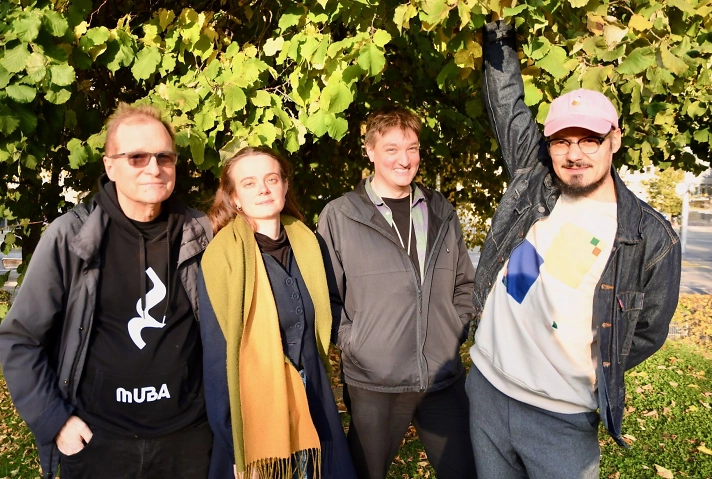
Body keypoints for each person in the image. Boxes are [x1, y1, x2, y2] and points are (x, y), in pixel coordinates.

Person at [468, 19, 682, 478]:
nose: (574, 154)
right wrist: (497, 27)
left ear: (615, 139)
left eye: (590, 140)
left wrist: (590, 367)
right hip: (486, 388)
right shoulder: (535, 179)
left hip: (561, 416)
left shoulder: (649, 236)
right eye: (562, 141)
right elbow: (507, 103)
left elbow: (646, 330)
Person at [0, 103, 214, 479]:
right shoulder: (71, 237)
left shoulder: (201, 234)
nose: (154, 168)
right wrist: (55, 421)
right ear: (110, 166)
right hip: (99, 444)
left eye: (164, 157)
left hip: (188, 443)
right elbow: (19, 338)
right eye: (137, 157)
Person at [316, 107, 477, 479]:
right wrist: (356, 342)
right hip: (375, 382)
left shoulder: (441, 210)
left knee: (466, 472)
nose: (404, 160)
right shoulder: (340, 215)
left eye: (412, 148)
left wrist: (453, 330)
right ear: (370, 151)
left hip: (441, 377)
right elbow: (325, 297)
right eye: (391, 149)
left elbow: (464, 284)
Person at [198, 146, 356, 479]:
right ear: (235, 198)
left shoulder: (308, 244)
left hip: (314, 399)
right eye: (249, 183)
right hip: (257, 411)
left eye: (271, 179)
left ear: (284, 186)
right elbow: (217, 359)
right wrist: (237, 446)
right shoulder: (221, 259)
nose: (263, 189)